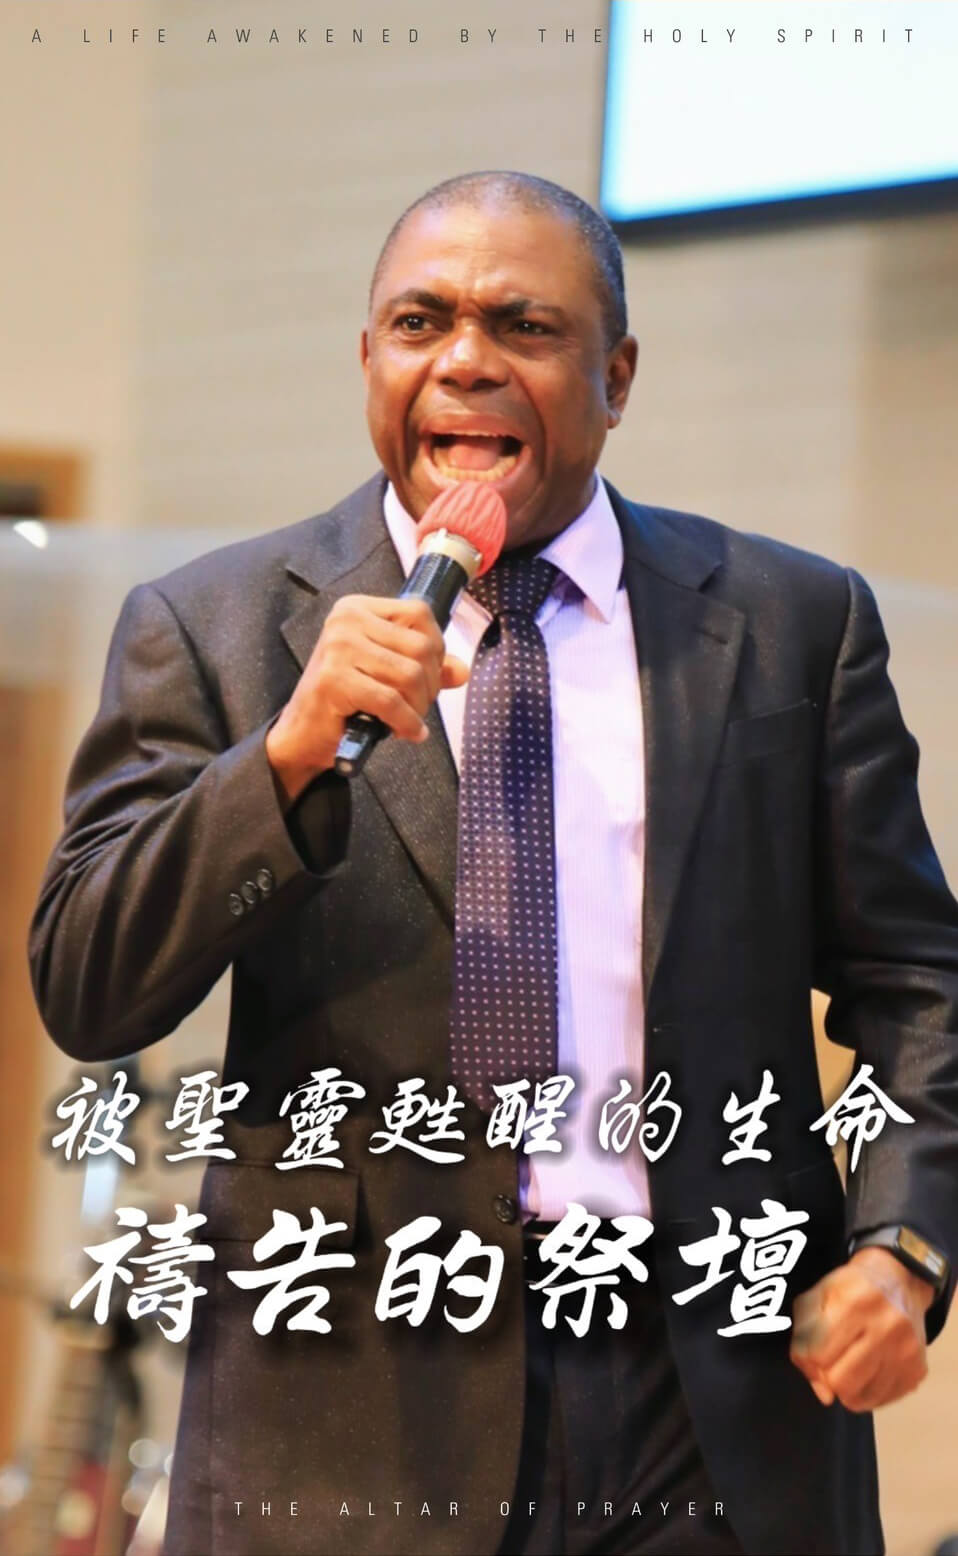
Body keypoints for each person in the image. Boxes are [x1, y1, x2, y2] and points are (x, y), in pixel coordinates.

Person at [29, 171, 958, 1556]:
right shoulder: (214, 625)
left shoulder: (787, 625)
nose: (464, 360)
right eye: (420, 323)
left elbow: (918, 979)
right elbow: (90, 987)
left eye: (523, 325)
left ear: (616, 376)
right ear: (369, 359)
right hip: (349, 1410)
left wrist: (904, 1244)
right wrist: (280, 765)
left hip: (710, 1397)